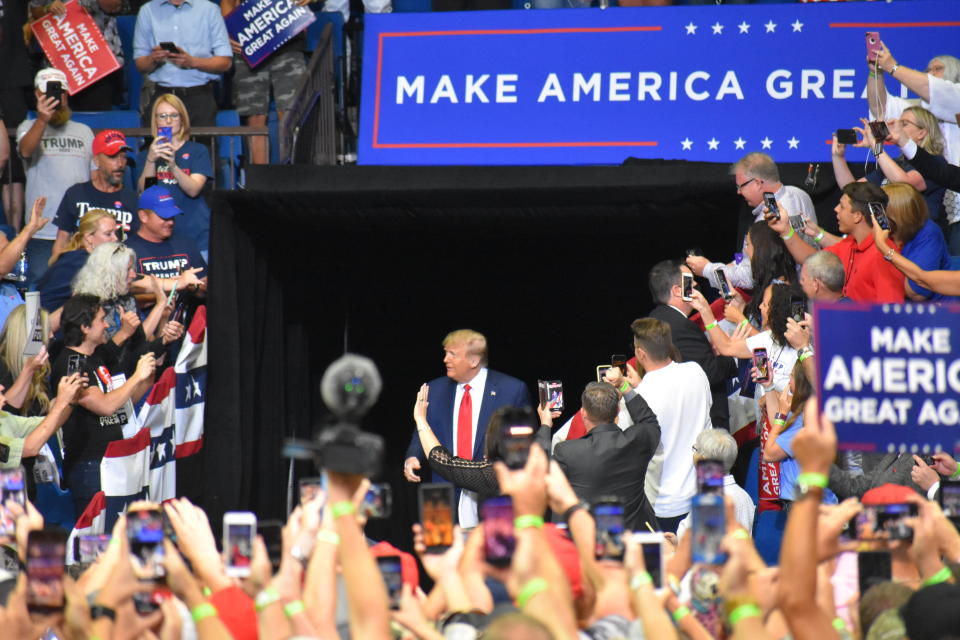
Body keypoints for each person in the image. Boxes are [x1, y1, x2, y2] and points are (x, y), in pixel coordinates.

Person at [403, 329, 529, 527]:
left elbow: (522, 444)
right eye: (445, 353)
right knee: (441, 553)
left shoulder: (512, 390)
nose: (445, 359)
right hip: (443, 490)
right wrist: (413, 456)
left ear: (473, 360)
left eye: (452, 354)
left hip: (490, 493)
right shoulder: (434, 389)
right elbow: (424, 427)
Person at [51, 294, 158, 516]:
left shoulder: (94, 358)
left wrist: (146, 381)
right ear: (85, 327)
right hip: (89, 467)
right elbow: (104, 406)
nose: (107, 324)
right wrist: (136, 378)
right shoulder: (71, 365)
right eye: (101, 319)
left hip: (110, 464)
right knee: (95, 542)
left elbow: (118, 404)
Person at [605, 318, 712, 534]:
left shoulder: (642, 397)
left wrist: (622, 396)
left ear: (641, 354)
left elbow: (623, 439)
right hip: (701, 494)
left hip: (664, 504)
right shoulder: (696, 372)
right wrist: (638, 387)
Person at [872, 44, 960, 255]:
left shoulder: (955, 95)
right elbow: (879, 107)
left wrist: (893, 66)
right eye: (927, 71)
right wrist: (875, 72)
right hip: (951, 215)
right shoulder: (918, 110)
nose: (929, 74)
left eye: (936, 69)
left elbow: (934, 89)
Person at [686, 151, 816, 290]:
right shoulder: (800, 194)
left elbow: (750, 277)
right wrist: (732, 265)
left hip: (784, 299)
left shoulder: (769, 222)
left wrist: (707, 269)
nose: (738, 192)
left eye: (740, 186)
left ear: (758, 183)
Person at [16, 69, 94, 285]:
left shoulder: (84, 131)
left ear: (66, 95)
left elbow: (94, 175)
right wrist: (42, 119)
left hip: (79, 230)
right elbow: (25, 151)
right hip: (43, 229)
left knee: (83, 286)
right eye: (47, 94)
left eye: (58, 93)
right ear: (37, 96)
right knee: (42, 288)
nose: (54, 99)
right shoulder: (28, 127)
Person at [552, 381, 660, 532]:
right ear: (617, 410)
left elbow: (542, 475)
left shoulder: (567, 452)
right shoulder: (638, 441)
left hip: (591, 541)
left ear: (583, 413)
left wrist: (545, 425)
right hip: (635, 537)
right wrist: (625, 387)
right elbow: (649, 421)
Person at [770, 182, 905, 303]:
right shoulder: (851, 244)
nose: (836, 209)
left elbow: (891, 315)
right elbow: (812, 261)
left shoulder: (885, 256)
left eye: (842, 206)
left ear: (857, 216)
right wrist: (785, 230)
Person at [647, 260, 736, 430]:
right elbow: (709, 373)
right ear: (677, 290)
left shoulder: (655, 319)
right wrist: (729, 354)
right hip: (704, 429)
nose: (696, 284)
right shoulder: (681, 327)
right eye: (691, 282)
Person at [220, 0, 308, 166]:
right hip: (250, 45)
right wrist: (229, 30)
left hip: (288, 39)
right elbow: (228, 3)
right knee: (255, 117)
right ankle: (259, 180)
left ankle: (294, 174)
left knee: (290, 113)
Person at [833, 108, 948, 224]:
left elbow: (904, 186)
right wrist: (838, 157)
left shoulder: (935, 162)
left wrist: (876, 146)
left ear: (922, 132)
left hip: (920, 235)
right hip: (893, 233)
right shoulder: (897, 163)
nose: (896, 128)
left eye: (904, 124)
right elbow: (853, 191)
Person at [132, 0, 232, 127]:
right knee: (164, 146)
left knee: (201, 147)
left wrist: (192, 62)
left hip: (200, 98)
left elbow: (225, 62)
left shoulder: (209, 10)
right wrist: (154, 58)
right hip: (162, 99)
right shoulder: (147, 11)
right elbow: (140, 65)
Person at [137, 95, 213, 255]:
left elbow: (193, 189)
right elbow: (147, 194)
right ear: (156, 121)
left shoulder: (198, 150)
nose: (168, 121)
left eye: (174, 115)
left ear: (182, 120)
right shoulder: (147, 155)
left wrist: (172, 165)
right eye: (162, 116)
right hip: (160, 237)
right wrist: (151, 161)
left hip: (195, 235)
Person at [51, 130, 139, 264]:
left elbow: (138, 247)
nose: (120, 164)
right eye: (113, 157)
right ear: (96, 160)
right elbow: (61, 243)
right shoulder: (76, 193)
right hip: (79, 270)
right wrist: (56, 272)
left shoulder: (133, 199)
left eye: (123, 157)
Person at [27, 0, 125, 110]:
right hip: (56, 63)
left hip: (96, 65)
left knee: (95, 119)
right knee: (53, 115)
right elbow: (35, 10)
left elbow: (114, 5)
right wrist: (48, 9)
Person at [878, 182, 957, 302]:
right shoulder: (882, 233)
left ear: (895, 214)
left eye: (880, 211)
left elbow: (917, 290)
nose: (876, 217)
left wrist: (885, 249)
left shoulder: (928, 233)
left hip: (935, 313)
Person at [675, 429, 754, 540]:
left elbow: (689, 539)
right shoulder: (745, 497)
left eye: (696, 449)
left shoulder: (710, 499)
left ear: (702, 460)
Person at [125, 185, 207, 292]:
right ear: (143, 216)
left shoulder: (187, 245)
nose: (171, 222)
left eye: (172, 216)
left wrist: (200, 287)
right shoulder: (127, 251)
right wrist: (174, 285)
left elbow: (202, 289)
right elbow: (128, 293)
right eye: (164, 217)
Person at [38, 210, 119, 314]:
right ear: (89, 237)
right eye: (108, 234)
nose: (115, 238)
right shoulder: (76, 261)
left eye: (115, 233)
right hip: (50, 324)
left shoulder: (86, 258)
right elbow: (113, 283)